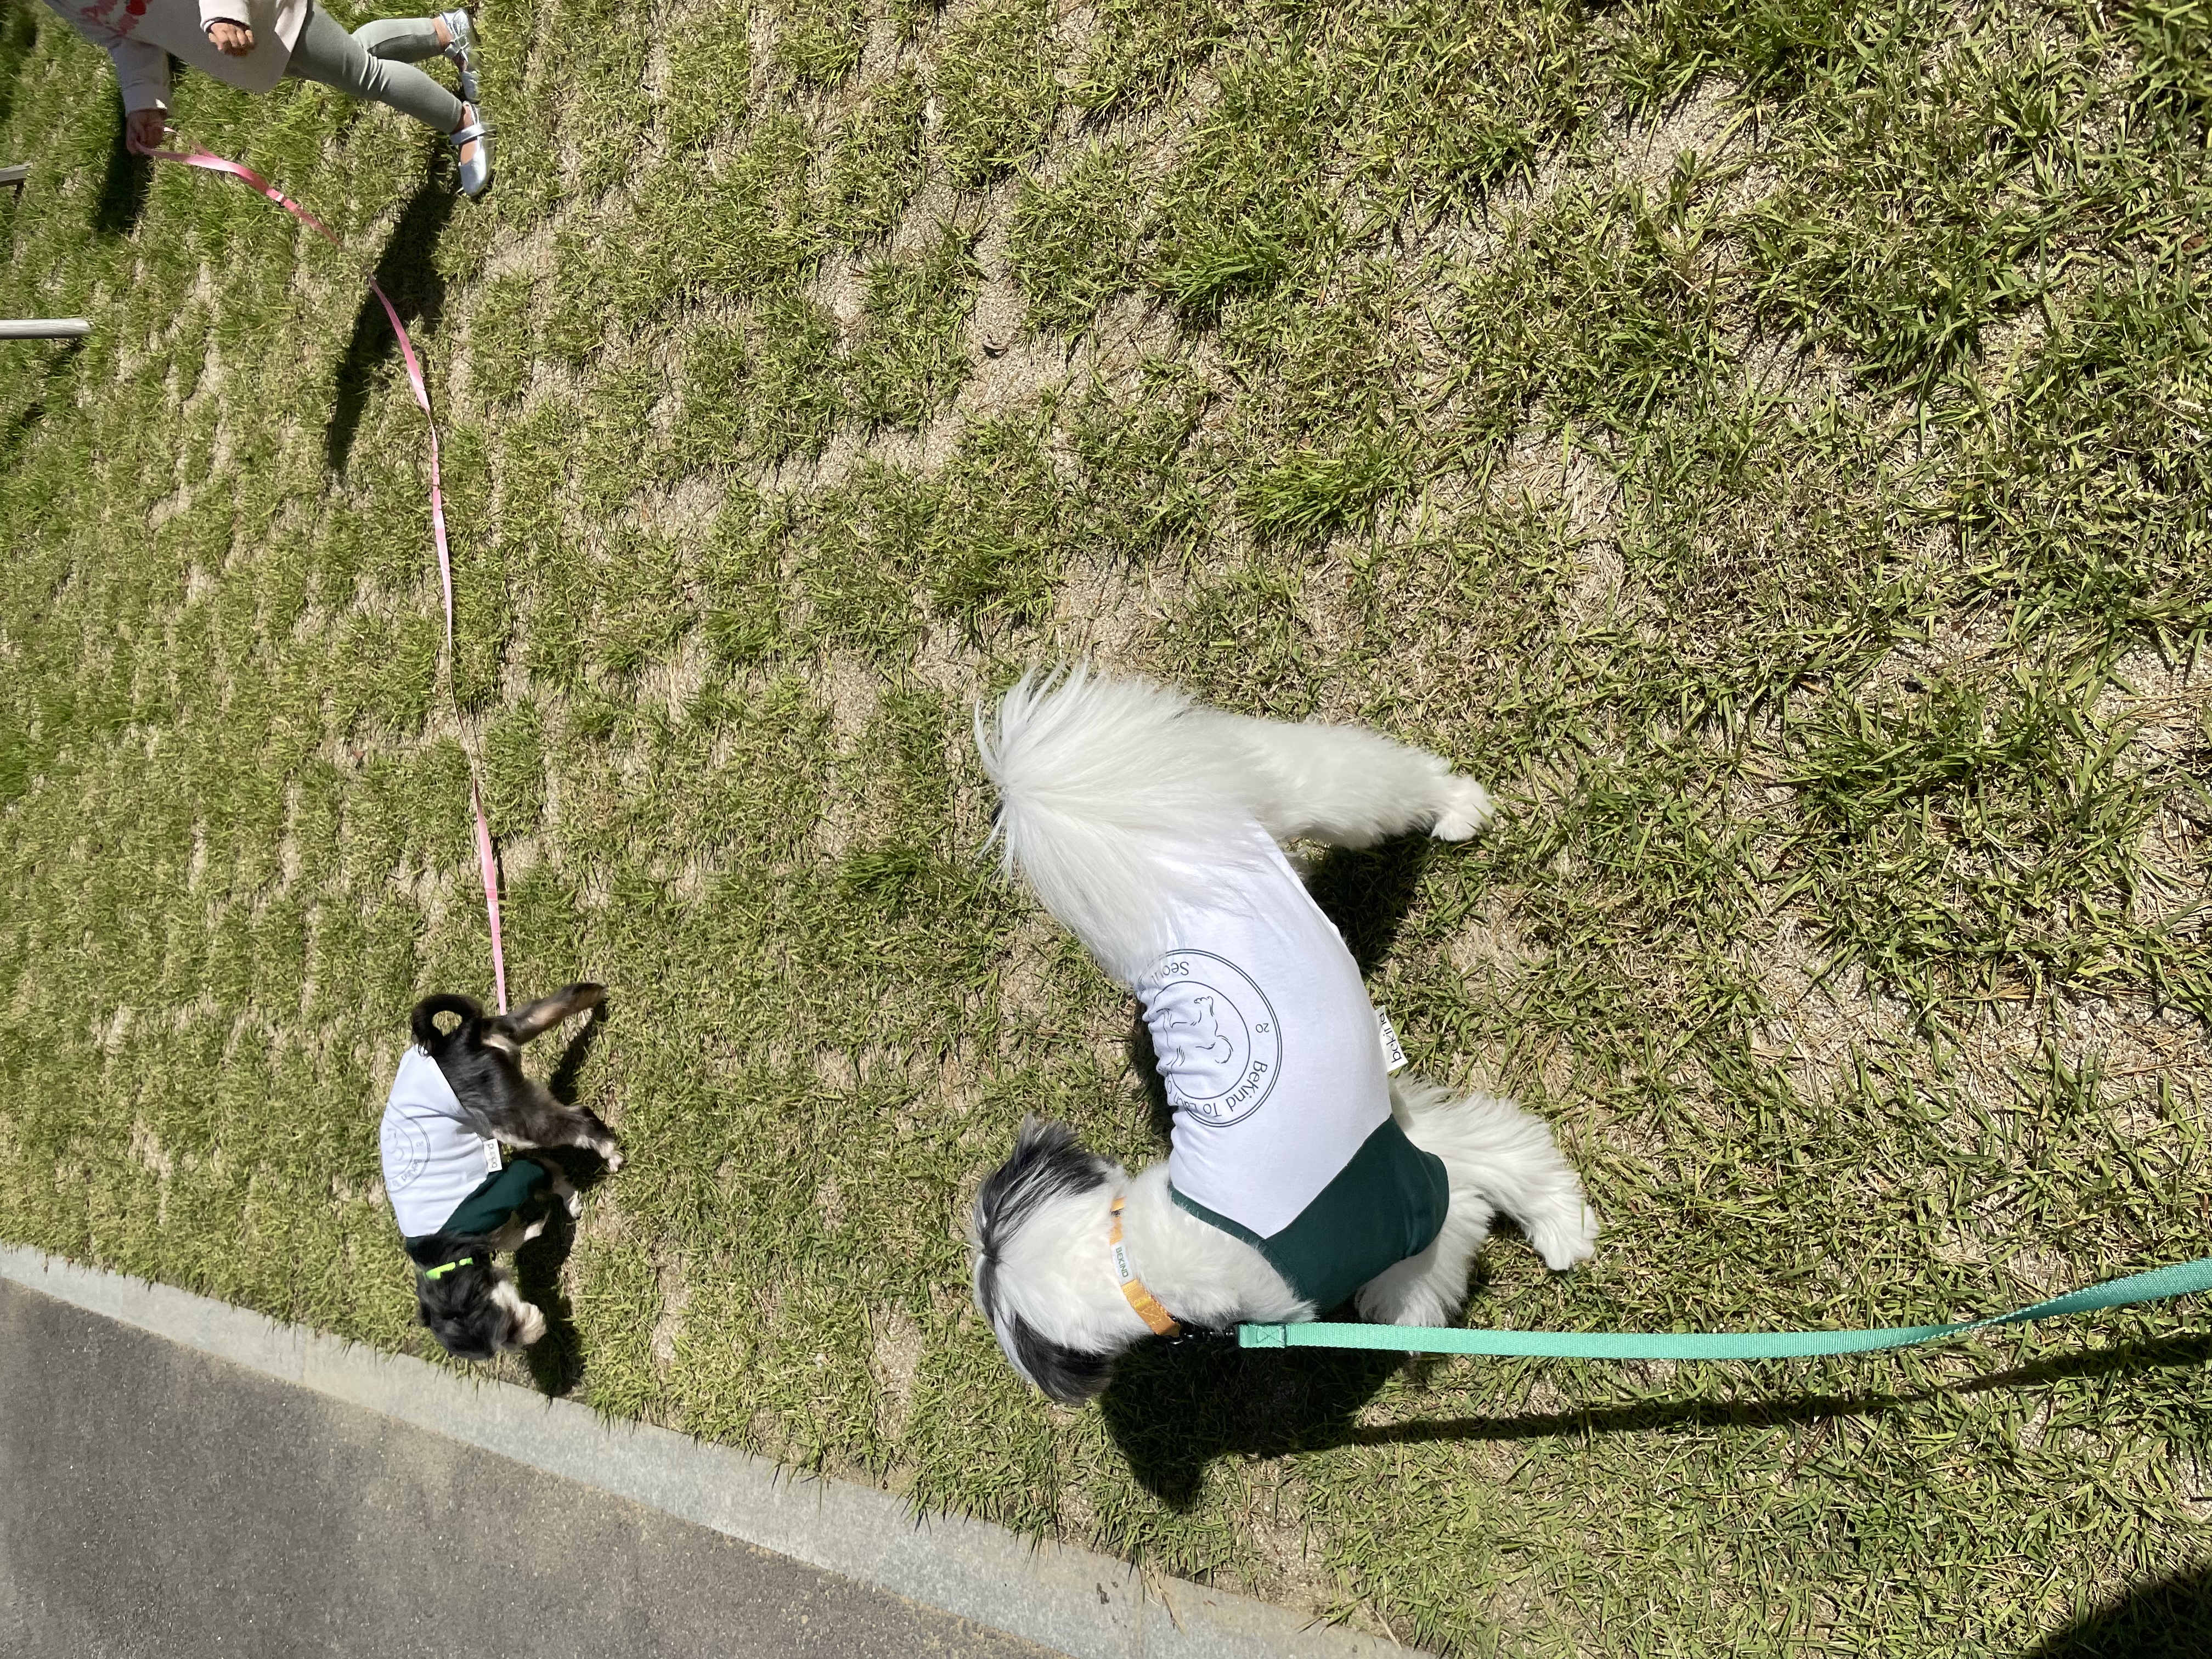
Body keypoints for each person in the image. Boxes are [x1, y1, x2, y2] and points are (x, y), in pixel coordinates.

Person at [49, 2, 494, 196]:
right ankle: (446, 31)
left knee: (363, 75)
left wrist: (224, 10)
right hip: (243, 46)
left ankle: (460, 121)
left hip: (263, 12)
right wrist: (143, 100)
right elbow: (126, 40)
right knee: (349, 62)